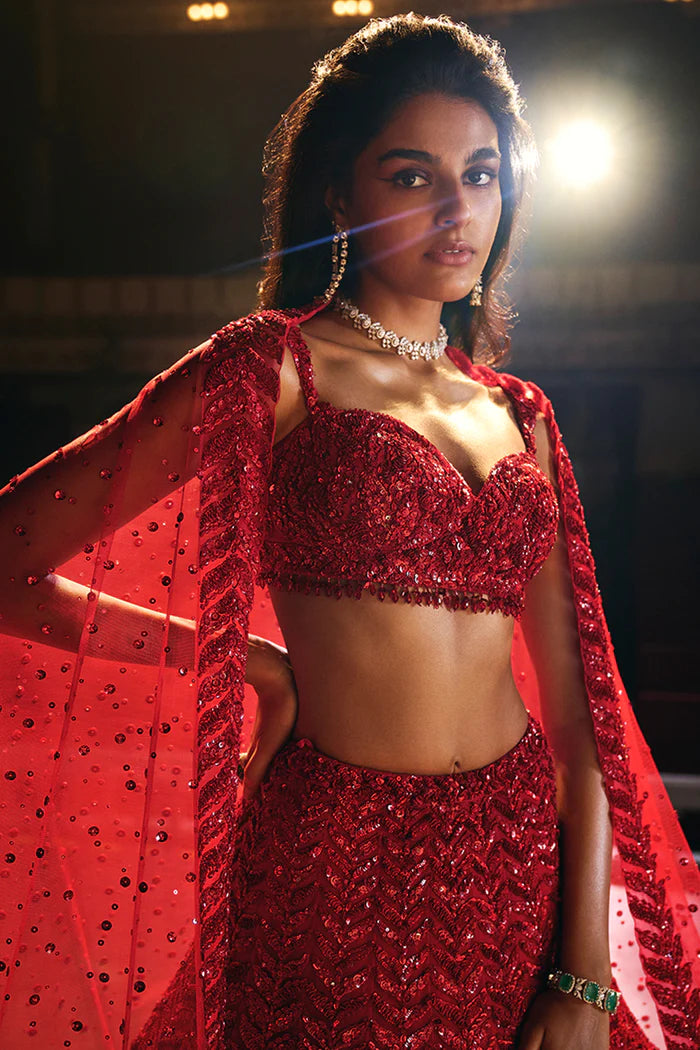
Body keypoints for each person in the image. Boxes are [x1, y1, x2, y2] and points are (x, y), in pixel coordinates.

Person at [0, 12, 698, 1050]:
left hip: (514, 869)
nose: (457, 209)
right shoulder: (273, 369)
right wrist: (241, 663)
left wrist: (583, 980)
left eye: (482, 174)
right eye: (412, 176)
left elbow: (577, 722)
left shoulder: (521, 415)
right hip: (329, 862)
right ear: (340, 192)